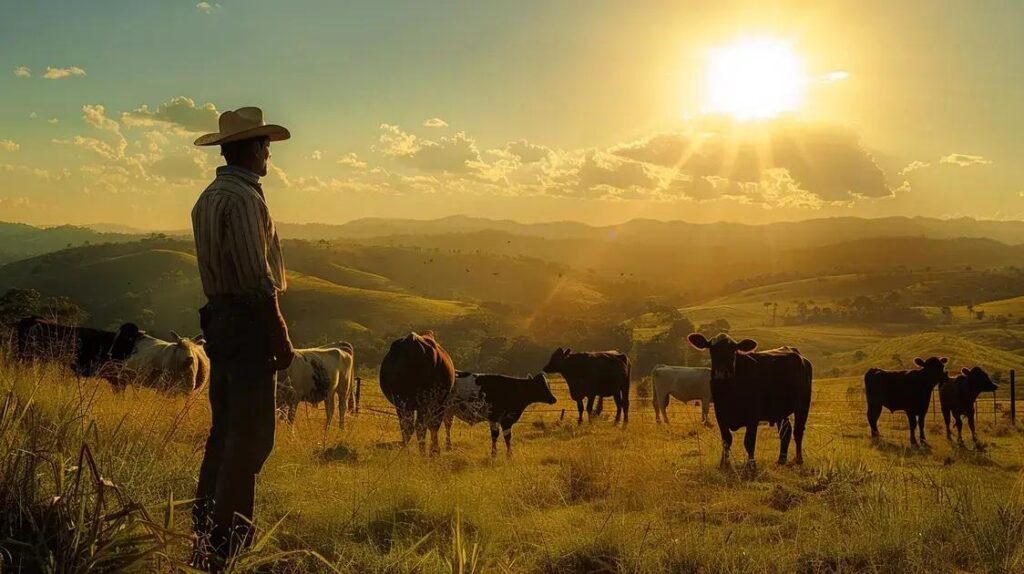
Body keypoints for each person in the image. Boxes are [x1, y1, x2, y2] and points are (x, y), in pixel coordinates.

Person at [190, 106, 295, 562]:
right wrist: (281, 334)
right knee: (253, 436)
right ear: (252, 149)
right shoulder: (246, 199)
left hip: (219, 320)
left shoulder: (207, 198)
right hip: (248, 325)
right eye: (266, 146)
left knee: (225, 429)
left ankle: (205, 525)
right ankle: (228, 542)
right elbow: (257, 278)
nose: (269, 154)